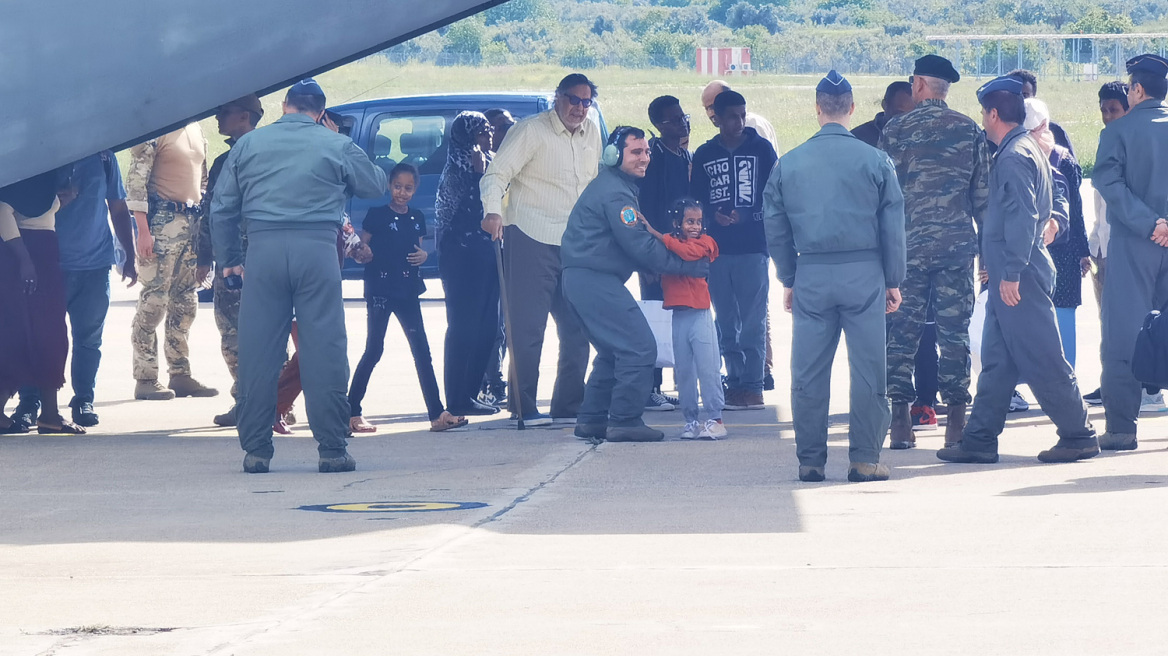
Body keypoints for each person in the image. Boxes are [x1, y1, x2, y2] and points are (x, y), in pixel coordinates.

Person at [211, 78, 387, 473]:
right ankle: (332, 449)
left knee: (258, 351)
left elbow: (222, 208)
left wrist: (230, 259)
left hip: (264, 253)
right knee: (324, 349)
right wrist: (339, 140)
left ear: (284, 106)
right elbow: (375, 184)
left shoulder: (248, 145)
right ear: (320, 113)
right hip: (318, 252)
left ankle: (256, 450)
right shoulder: (334, 143)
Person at [936, 75, 1098, 465]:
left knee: (1044, 356)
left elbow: (1024, 218)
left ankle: (1078, 434)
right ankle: (979, 439)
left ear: (994, 114)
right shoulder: (1023, 148)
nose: (982, 119)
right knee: (997, 361)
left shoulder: (1012, 157)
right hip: (1012, 272)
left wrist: (1010, 272)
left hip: (1019, 275)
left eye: (983, 113)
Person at [764, 70, 905, 483]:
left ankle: (810, 460)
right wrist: (893, 279)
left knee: (808, 371)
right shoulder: (876, 160)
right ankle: (864, 459)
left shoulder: (788, 163)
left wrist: (789, 277)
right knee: (868, 370)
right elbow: (893, 226)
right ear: (852, 108)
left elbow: (775, 227)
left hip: (811, 272)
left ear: (817, 108)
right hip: (864, 272)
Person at [561, 127, 711, 443]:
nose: (644, 158)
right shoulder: (616, 194)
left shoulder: (614, 186)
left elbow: (631, 245)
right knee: (640, 347)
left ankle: (592, 419)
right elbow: (640, 245)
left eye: (646, 151)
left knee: (613, 351)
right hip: (594, 280)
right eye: (636, 152)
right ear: (614, 156)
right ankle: (625, 420)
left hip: (584, 280)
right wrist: (688, 265)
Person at [878, 54, 989, 449]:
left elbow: (882, 198)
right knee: (954, 334)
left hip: (906, 251)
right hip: (955, 249)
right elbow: (983, 199)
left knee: (901, 334)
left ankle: (900, 422)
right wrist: (988, 257)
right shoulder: (969, 129)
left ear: (920, 85)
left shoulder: (895, 130)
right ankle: (956, 422)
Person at [479, 73, 600, 426]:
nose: (579, 108)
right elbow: (495, 175)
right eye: (573, 99)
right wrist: (492, 211)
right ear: (557, 97)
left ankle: (568, 404)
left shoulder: (592, 131)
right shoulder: (530, 130)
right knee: (528, 328)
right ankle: (523, 406)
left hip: (576, 242)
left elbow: (595, 183)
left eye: (586, 101)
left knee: (578, 328)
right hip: (531, 236)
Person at [10, 150, 137, 430]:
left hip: (94, 263)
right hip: (47, 263)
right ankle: (29, 402)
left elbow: (118, 207)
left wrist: (129, 254)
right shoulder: (42, 155)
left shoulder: (104, 158)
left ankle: (83, 400)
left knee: (89, 338)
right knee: (36, 336)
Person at [348, 163, 467, 433]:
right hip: (381, 290)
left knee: (422, 351)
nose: (402, 193)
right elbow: (362, 247)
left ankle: (437, 414)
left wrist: (424, 256)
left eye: (408, 188)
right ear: (390, 186)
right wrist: (363, 252)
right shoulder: (377, 215)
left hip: (408, 290)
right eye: (398, 187)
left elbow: (418, 249)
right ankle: (351, 411)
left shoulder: (416, 217)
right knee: (374, 349)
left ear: (415, 190)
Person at [1094, 54, 1168, 451]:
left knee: (1124, 333)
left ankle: (1122, 428)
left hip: (1135, 243)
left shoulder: (1118, 132)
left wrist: (1150, 223)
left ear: (1137, 89)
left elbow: (1109, 182)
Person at [691, 89, 778, 410]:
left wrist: (748, 215)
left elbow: (774, 194)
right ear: (716, 119)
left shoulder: (762, 149)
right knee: (726, 321)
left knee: (753, 322)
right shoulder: (704, 154)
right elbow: (696, 198)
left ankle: (754, 386)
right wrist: (712, 217)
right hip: (717, 251)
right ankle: (736, 381)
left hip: (753, 248)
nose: (739, 122)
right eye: (731, 117)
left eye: (742, 115)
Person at [127, 121, 218, 401]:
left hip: (191, 221)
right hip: (162, 222)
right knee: (155, 300)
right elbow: (137, 181)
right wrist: (143, 231)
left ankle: (180, 373)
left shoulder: (197, 129)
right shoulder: (158, 128)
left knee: (185, 302)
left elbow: (202, 182)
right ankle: (145, 377)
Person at [197, 95, 264, 427]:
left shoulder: (236, 160)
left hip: (239, 260)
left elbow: (213, 212)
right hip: (254, 257)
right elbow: (211, 211)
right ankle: (267, 402)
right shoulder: (259, 155)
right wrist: (204, 256)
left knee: (239, 332)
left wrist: (206, 256)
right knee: (255, 331)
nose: (218, 117)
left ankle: (258, 402)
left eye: (224, 112)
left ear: (244, 116)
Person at [0, 174, 83, 434]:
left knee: (49, 334)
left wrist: (61, 200)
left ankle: (49, 414)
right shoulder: (19, 170)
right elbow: (3, 210)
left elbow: (37, 212)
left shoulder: (44, 173)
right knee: (22, 332)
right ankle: (44, 414)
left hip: (44, 256)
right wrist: (24, 261)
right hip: (23, 255)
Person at [642, 198, 726, 439]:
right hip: (679, 315)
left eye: (699, 221)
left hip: (700, 314)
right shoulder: (669, 243)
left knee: (708, 368)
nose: (695, 226)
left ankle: (716, 418)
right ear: (676, 223)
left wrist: (656, 234)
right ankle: (691, 420)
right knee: (684, 371)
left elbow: (689, 253)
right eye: (689, 221)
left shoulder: (706, 242)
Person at [435, 112, 501, 419]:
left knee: (488, 328)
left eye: (489, 130)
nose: (488, 136)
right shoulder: (456, 169)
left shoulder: (491, 162)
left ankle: (472, 393)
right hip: (461, 258)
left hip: (488, 255)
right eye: (481, 132)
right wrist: (477, 174)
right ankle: (457, 397)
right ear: (467, 136)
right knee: (463, 327)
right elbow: (467, 211)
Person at [1024, 98, 1089, 370]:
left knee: (1030, 321)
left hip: (1028, 251)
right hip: (1064, 252)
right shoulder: (1064, 159)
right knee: (1063, 322)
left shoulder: (1015, 156)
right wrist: (1082, 252)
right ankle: (1067, 377)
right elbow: (1076, 211)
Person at [638, 94, 693, 412]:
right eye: (674, 119)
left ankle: (669, 384)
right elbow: (646, 211)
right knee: (654, 318)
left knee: (677, 318)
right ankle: (648, 388)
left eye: (683, 117)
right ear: (658, 125)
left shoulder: (683, 155)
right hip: (657, 254)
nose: (682, 123)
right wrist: (648, 259)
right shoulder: (654, 158)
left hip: (681, 252)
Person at [1007, 69, 1075, 156]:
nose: (1020, 100)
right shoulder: (997, 132)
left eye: (1024, 95)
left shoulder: (1055, 130)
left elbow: (1069, 162)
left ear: (1034, 97)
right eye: (1014, 95)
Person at [851, 81, 913, 147]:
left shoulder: (919, 136)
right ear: (884, 105)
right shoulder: (858, 139)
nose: (908, 119)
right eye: (900, 114)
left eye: (913, 114)